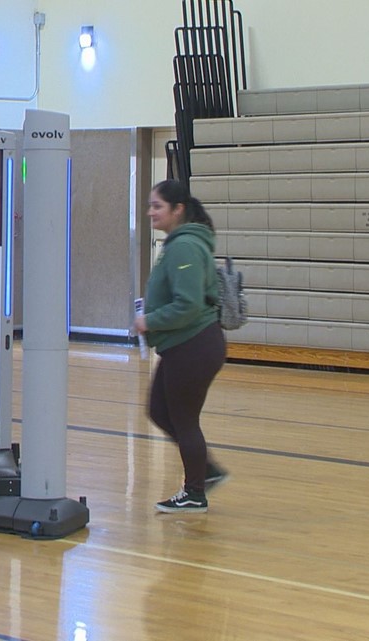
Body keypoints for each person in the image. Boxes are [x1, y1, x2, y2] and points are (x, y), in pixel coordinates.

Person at [134, 179, 228, 514]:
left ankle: (194, 492)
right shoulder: (178, 244)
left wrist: (150, 320)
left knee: (184, 420)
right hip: (184, 345)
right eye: (150, 205)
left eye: (157, 206)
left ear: (178, 210)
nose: (150, 212)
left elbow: (187, 304)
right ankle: (206, 472)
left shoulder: (185, 246)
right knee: (160, 410)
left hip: (194, 344)